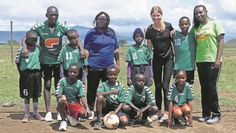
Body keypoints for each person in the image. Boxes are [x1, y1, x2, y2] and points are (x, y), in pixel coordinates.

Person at [21, 6, 85, 121]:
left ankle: (59, 111)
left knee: (58, 85)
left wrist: (81, 49)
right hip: (45, 61)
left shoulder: (61, 27)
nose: (54, 17)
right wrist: (25, 48)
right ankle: (48, 112)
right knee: (47, 85)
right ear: (47, 15)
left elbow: (74, 35)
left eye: (56, 15)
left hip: (58, 61)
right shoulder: (40, 27)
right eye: (51, 15)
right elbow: (26, 36)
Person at [192, 5, 224, 124]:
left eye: (201, 12)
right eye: (196, 13)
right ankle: (206, 114)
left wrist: (218, 59)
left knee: (211, 88)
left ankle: (216, 114)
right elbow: (185, 33)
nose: (199, 15)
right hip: (200, 61)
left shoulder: (214, 23)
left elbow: (221, 41)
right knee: (204, 88)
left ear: (206, 11)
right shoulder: (196, 28)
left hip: (212, 61)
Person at [84, 11, 120, 110]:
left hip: (109, 66)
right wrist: (85, 63)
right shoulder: (91, 33)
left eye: (104, 19)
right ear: (96, 20)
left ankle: (106, 110)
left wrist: (118, 64)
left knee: (108, 88)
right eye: (99, 19)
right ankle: (90, 110)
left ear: (107, 21)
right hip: (93, 66)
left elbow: (116, 50)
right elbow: (86, 49)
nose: (101, 21)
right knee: (92, 89)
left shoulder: (112, 32)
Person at [145, 5, 175, 122]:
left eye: (158, 15)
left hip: (168, 59)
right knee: (157, 86)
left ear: (161, 15)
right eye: (154, 15)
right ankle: (158, 111)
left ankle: (167, 112)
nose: (156, 17)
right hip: (156, 59)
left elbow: (174, 40)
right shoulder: (149, 30)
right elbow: (148, 48)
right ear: (151, 16)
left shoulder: (168, 26)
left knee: (165, 85)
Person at [15, 30, 44, 122]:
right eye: (31, 40)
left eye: (35, 40)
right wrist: (21, 73)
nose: (33, 42)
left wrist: (40, 72)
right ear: (26, 40)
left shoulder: (38, 49)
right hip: (25, 75)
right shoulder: (22, 50)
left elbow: (41, 61)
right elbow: (17, 62)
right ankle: (27, 114)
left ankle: (35, 113)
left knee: (36, 94)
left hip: (36, 74)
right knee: (26, 94)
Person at [56, 63, 92, 131]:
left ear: (78, 73)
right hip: (65, 103)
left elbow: (82, 97)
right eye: (70, 72)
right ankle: (63, 120)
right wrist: (61, 96)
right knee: (61, 100)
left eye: (75, 72)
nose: (72, 73)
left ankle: (72, 117)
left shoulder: (79, 83)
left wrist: (87, 108)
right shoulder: (62, 81)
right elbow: (58, 95)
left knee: (85, 114)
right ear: (68, 72)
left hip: (75, 104)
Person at [173, 17, 196, 85]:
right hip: (178, 67)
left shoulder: (193, 36)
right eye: (182, 24)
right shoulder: (174, 35)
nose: (184, 26)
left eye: (186, 24)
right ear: (179, 25)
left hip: (190, 67)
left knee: (188, 87)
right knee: (177, 87)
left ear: (189, 24)